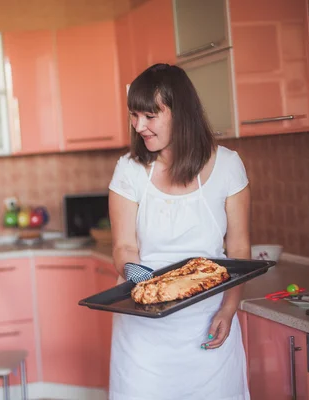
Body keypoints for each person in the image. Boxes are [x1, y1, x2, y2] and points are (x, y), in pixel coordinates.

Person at [108, 64, 250, 400]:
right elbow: (124, 247)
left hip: (208, 321)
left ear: (180, 113)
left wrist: (229, 310)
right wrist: (139, 278)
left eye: (149, 115)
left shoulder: (228, 165)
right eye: (134, 115)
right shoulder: (129, 170)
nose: (138, 126)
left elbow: (240, 250)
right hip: (144, 332)